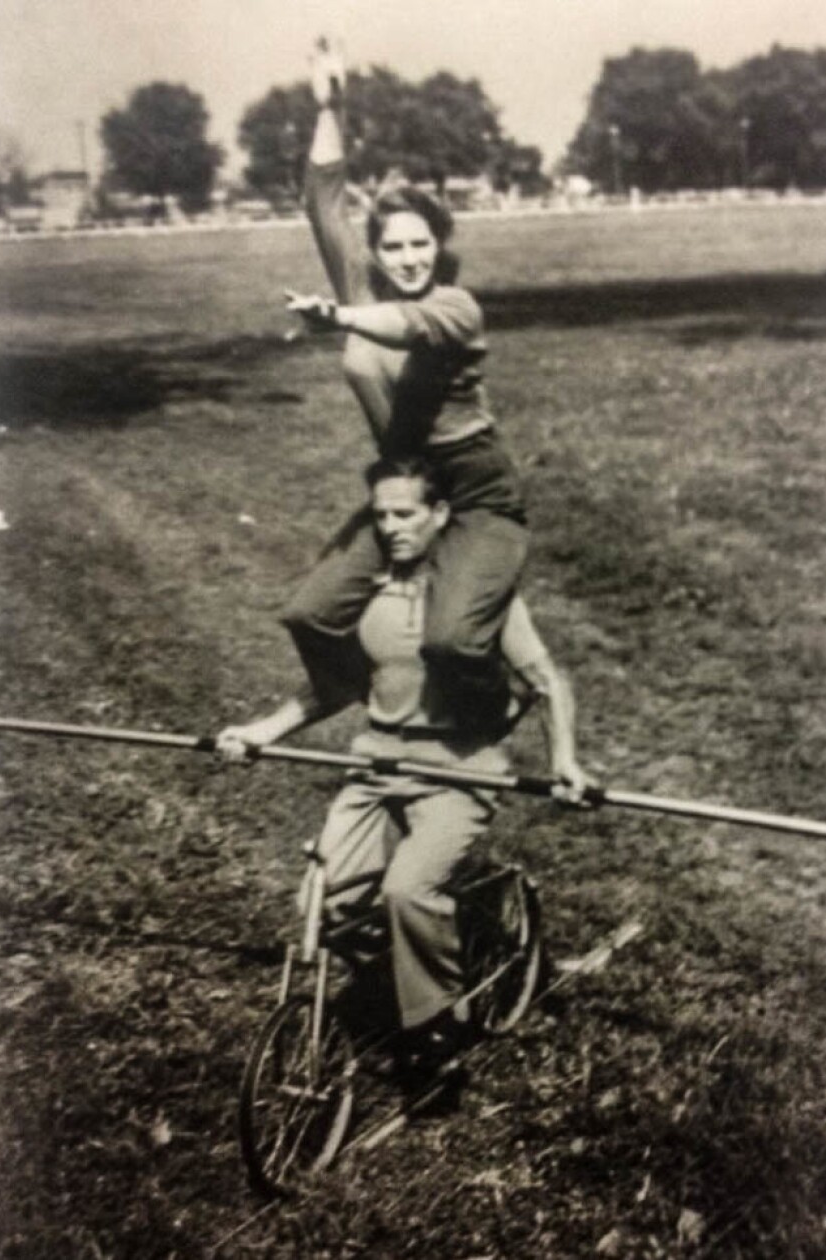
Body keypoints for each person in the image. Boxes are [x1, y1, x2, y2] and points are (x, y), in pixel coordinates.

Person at [217, 457, 588, 1061]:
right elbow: (333, 689)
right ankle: (406, 970)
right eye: (381, 515)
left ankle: (441, 1018)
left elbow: (545, 680)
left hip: (457, 773)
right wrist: (262, 731)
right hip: (378, 766)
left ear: (440, 515)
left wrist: (565, 762)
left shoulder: (477, 600)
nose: (392, 527)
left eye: (406, 513)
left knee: (408, 891)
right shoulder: (366, 594)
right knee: (330, 900)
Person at [282, 39, 528, 732]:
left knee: (451, 640)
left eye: (421, 243)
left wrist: (339, 318)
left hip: (477, 489)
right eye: (393, 246)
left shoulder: (456, 307)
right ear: (377, 252)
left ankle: (498, 708)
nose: (409, 257)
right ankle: (358, 693)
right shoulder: (362, 289)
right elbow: (322, 199)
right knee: (311, 614)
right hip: (404, 489)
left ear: (439, 244)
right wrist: (328, 106)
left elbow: (404, 326)